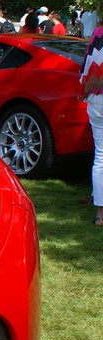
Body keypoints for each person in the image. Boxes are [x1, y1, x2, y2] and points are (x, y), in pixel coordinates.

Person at [81, 20, 103, 224]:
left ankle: (100, 215)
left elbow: (86, 70)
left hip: (96, 98)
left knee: (101, 157)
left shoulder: (98, 33)